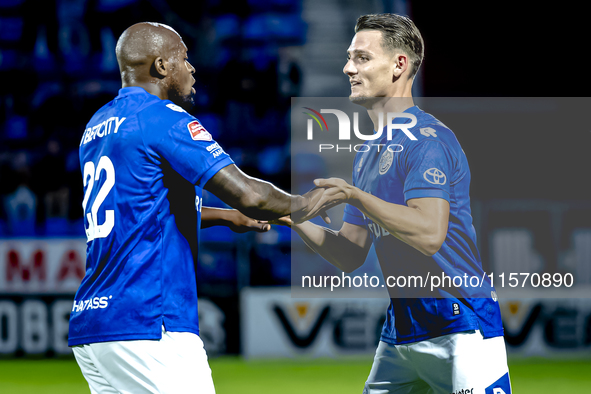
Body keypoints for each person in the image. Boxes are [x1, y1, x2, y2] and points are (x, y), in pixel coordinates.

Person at [68, 22, 322, 394]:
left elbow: (138, 212)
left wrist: (225, 217)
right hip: (150, 322)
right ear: (160, 67)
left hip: (96, 325)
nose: (192, 69)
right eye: (184, 59)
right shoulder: (163, 118)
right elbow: (250, 194)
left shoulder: (98, 125)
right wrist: (306, 204)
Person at [279, 14, 512, 394]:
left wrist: (355, 195)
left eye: (362, 58)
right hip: (401, 331)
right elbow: (351, 254)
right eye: (349, 57)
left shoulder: (427, 140)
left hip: (461, 327)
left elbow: (429, 234)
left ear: (399, 65)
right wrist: (290, 215)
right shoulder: (367, 153)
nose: (348, 67)